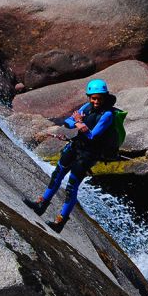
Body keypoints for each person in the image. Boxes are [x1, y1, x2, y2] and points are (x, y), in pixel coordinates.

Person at [24, 79, 119, 233]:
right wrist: (76, 123)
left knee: (71, 187)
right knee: (56, 175)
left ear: (105, 97)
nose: (96, 101)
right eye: (93, 98)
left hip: (88, 154)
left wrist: (80, 124)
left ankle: (60, 221)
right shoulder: (86, 107)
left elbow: (92, 136)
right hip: (75, 146)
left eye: (99, 98)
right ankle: (41, 204)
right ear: (89, 97)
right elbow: (69, 121)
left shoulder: (107, 114)